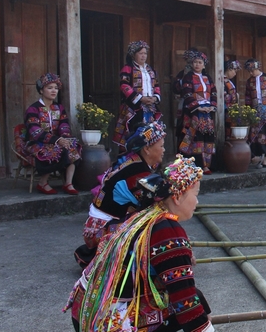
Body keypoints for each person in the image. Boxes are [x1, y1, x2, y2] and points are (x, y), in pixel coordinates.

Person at [65, 155, 214, 332]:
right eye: (195, 194)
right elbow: (184, 300)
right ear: (177, 196)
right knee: (189, 303)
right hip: (104, 322)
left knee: (195, 297)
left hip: (84, 308)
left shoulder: (140, 215)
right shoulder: (168, 233)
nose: (197, 201)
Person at [74, 121, 167, 268]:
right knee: (154, 218)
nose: (164, 150)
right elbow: (154, 204)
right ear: (147, 149)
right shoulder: (138, 173)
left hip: (102, 224)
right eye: (161, 146)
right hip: (101, 230)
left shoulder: (135, 162)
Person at [24, 73, 81, 195]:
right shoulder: (33, 109)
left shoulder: (59, 108)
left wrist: (65, 139)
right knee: (54, 151)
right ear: (41, 90)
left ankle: (68, 183)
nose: (54, 91)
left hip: (56, 141)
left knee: (72, 147)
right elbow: (35, 132)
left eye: (56, 88)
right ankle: (42, 182)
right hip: (36, 142)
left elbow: (64, 126)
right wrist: (56, 140)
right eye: (49, 88)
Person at [112, 41, 162, 152]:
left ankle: (149, 157)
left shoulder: (150, 70)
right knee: (134, 132)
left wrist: (155, 98)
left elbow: (156, 85)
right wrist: (140, 98)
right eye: (140, 53)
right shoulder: (128, 68)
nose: (143, 56)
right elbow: (124, 85)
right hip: (134, 108)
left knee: (150, 133)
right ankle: (132, 156)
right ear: (133, 55)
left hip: (150, 107)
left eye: (145, 53)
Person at [179, 51, 217, 174]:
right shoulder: (188, 77)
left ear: (204, 65)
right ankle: (199, 164)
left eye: (200, 62)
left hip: (207, 111)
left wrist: (212, 106)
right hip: (194, 111)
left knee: (208, 136)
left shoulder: (208, 78)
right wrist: (197, 107)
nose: (197, 64)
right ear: (192, 64)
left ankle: (208, 164)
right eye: (195, 62)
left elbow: (214, 92)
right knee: (196, 137)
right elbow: (187, 93)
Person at [223, 60, 242, 137]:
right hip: (226, 109)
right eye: (234, 71)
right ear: (229, 69)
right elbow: (223, 96)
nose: (235, 73)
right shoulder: (222, 81)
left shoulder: (229, 81)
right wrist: (235, 97)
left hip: (231, 109)